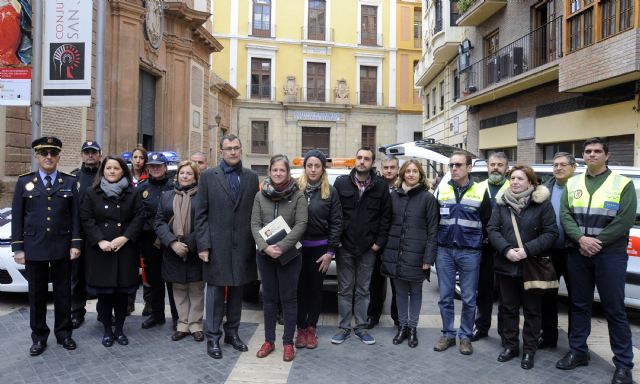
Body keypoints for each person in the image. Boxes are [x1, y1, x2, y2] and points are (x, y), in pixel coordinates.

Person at [556, 137, 636, 384]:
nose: (592, 154)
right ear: (583, 155)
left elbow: (625, 219)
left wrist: (596, 242)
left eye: (597, 151)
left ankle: (623, 364)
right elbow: (565, 215)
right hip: (578, 252)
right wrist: (581, 239)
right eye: (588, 151)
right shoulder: (574, 183)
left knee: (614, 309)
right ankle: (578, 352)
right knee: (579, 305)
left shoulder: (623, 184)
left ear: (606, 155)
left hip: (610, 254)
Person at [11, 136, 81, 356]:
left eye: (53, 153)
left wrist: (75, 243)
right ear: (37, 156)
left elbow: (75, 217)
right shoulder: (24, 182)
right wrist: (18, 248)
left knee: (63, 294)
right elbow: (18, 217)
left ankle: (64, 334)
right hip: (35, 247)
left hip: (62, 245)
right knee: (37, 295)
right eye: (44, 153)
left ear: (59, 156)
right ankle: (39, 336)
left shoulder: (69, 182)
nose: (48, 157)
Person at [194, 134, 259, 359]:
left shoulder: (251, 178)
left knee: (237, 293)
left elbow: (255, 214)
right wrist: (203, 245)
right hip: (216, 247)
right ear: (221, 151)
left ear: (241, 150)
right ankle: (213, 337)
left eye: (236, 148)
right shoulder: (208, 177)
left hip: (242, 247)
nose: (233, 152)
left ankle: (232, 333)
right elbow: (200, 215)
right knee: (214, 294)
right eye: (228, 148)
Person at [487, 165, 558, 369]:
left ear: (531, 182)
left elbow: (551, 233)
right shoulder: (501, 204)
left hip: (531, 265)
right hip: (505, 265)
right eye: (513, 178)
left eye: (520, 178)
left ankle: (529, 350)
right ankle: (510, 346)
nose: (515, 182)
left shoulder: (541, 204)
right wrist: (506, 249)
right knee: (508, 308)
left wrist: (527, 249)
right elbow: (492, 229)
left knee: (532, 311)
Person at [80, 156, 145, 347]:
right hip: (101, 251)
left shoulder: (133, 193)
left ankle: (119, 330)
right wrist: (99, 240)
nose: (112, 171)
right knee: (105, 295)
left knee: (121, 294)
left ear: (123, 171)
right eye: (108, 168)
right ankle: (107, 330)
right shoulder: (92, 192)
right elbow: (86, 218)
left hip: (125, 250)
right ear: (103, 171)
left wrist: (124, 238)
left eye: (116, 168)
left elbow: (139, 218)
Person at [331, 147, 391, 346]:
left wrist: (378, 244)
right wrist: (336, 240)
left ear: (372, 163)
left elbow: (386, 217)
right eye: (359, 158)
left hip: (368, 249)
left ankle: (361, 327)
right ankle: (344, 327)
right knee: (345, 290)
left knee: (364, 290)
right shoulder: (341, 183)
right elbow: (334, 213)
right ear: (355, 160)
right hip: (345, 247)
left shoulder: (380, 186)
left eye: (366, 158)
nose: (362, 161)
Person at [433, 151, 491, 355]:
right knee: (445, 297)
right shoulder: (442, 191)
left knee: (468, 298)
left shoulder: (481, 191)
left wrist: (479, 243)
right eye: (451, 165)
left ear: (469, 168)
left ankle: (465, 336)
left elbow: (487, 221)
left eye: (458, 165)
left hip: (470, 252)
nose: (454, 169)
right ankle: (448, 334)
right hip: (445, 251)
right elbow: (435, 221)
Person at [251, 154, 308, 361]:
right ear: (269, 171)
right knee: (269, 299)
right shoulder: (260, 196)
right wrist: (266, 247)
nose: (278, 173)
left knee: (289, 299)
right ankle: (269, 341)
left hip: (290, 256)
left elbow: (301, 224)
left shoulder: (298, 196)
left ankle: (287, 343)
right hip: (265, 256)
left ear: (288, 173)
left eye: (282, 170)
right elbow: (255, 224)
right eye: (275, 170)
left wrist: (282, 247)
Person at [381, 160, 438, 348]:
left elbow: (432, 231)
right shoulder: (394, 196)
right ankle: (402, 327)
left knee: (416, 293)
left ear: (420, 174)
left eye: (415, 171)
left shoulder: (428, 199)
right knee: (400, 293)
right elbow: (387, 224)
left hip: (418, 256)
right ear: (402, 174)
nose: (411, 174)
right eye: (408, 171)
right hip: (396, 253)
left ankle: (413, 328)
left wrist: (428, 258)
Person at [295, 150, 342, 350]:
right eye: (309, 165)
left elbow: (337, 222)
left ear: (323, 169)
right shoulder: (294, 189)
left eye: (317, 166)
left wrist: (330, 252)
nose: (313, 169)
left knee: (315, 290)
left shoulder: (330, 192)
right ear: (304, 168)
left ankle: (311, 328)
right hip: (296, 250)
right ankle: (301, 328)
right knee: (298, 290)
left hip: (319, 251)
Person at [154, 160, 205, 342]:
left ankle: (196, 325)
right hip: (172, 251)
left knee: (196, 289)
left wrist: (188, 245)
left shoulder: (202, 196)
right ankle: (182, 325)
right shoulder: (166, 196)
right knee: (179, 289)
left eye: (189, 174)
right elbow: (159, 222)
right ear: (177, 176)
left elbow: (204, 223)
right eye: (182, 173)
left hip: (195, 250)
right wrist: (173, 243)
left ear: (195, 177)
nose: (184, 176)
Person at [538, 152, 577, 349]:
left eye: (563, 164)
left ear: (573, 167)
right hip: (550, 253)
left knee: (576, 299)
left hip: (573, 252)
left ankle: (576, 343)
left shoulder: (580, 188)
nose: (558, 168)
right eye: (555, 165)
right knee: (548, 297)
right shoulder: (545, 188)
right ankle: (549, 336)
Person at [138, 153, 178, 330]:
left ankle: (177, 317)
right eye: (152, 166)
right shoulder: (142, 188)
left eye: (159, 165)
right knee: (154, 280)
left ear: (165, 167)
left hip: (169, 240)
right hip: (149, 241)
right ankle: (157, 314)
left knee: (172, 279)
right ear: (148, 168)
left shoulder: (174, 186)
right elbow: (138, 214)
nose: (155, 168)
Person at [472, 152, 510, 341]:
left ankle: (505, 332)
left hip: (506, 249)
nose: (496, 168)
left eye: (500, 165)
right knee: (484, 290)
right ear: (488, 167)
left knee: (505, 294)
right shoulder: (477, 188)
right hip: (484, 247)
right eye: (493, 164)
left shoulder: (514, 187)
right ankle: (481, 327)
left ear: (506, 168)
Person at [70, 140, 102, 328]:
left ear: (99, 154)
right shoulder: (74, 178)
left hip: (99, 235)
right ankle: (77, 312)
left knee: (101, 274)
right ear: (82, 155)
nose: (90, 155)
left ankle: (103, 312)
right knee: (77, 277)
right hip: (79, 236)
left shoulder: (106, 175)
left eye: (93, 152)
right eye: (87, 152)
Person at [367, 154, 399, 329]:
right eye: (386, 167)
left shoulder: (402, 188)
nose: (388, 170)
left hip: (395, 242)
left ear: (397, 169)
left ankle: (397, 318)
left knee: (396, 284)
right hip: (377, 241)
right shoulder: (375, 187)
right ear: (381, 169)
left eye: (392, 167)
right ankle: (373, 316)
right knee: (375, 283)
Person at [129, 146, 149, 316]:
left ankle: (148, 303)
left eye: (141, 157)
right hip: (128, 229)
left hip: (145, 229)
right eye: (135, 157)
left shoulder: (149, 178)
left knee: (146, 267)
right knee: (130, 267)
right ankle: (129, 302)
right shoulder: (124, 177)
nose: (137, 160)